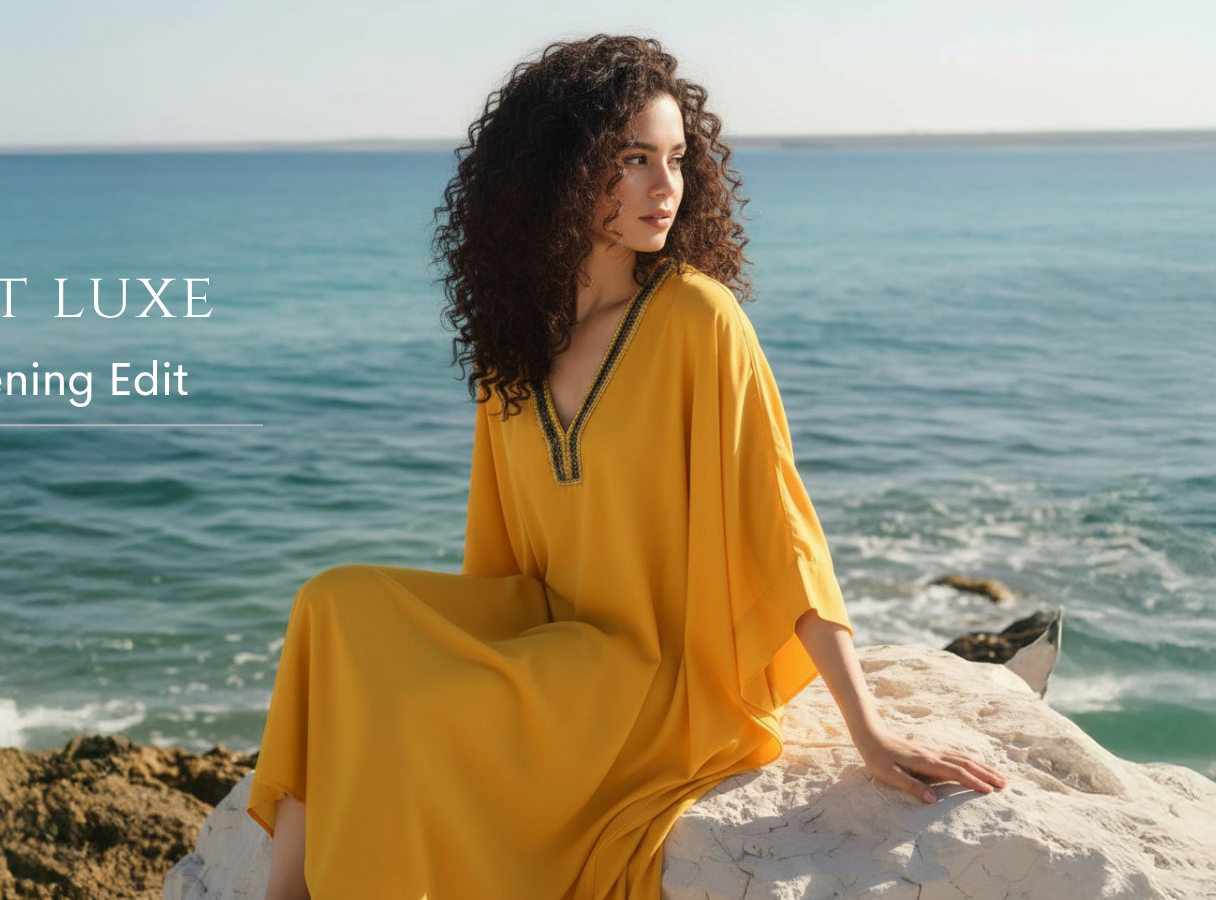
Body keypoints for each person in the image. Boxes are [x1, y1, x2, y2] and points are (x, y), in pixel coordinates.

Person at [246, 34, 1009, 899]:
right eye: (634, 159)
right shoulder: (517, 346)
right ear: (559, 172)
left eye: (677, 159)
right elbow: (498, 558)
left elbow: (782, 529)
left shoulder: (697, 318)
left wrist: (865, 727)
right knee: (329, 606)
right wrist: (473, 668)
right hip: (553, 643)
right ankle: (286, 891)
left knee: (408, 708)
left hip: (655, 680)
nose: (664, 186)